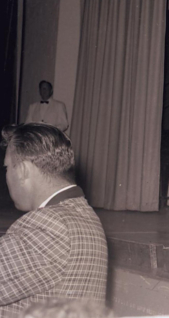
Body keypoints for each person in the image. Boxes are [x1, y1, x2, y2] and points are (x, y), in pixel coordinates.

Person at [0, 123, 108, 318]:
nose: (6, 176)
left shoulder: (48, 225)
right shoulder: (79, 214)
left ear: (23, 170)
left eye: (7, 168)